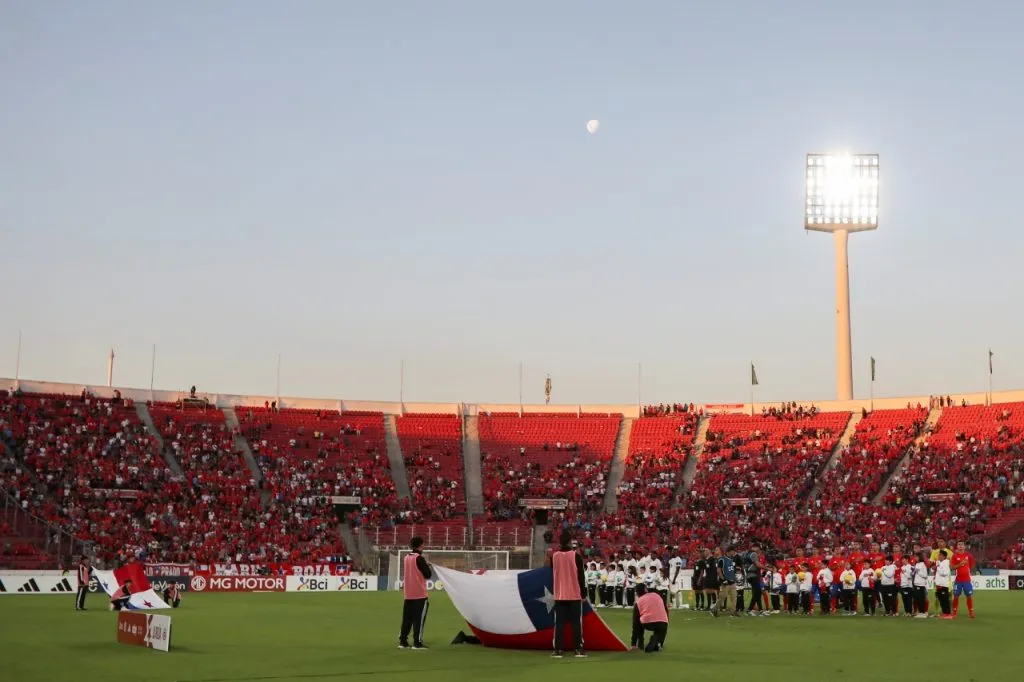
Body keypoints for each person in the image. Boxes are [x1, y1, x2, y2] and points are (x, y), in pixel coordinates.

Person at [551, 531, 587, 659]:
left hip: (560, 595)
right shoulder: (575, 556)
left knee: (559, 623)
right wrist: (584, 593)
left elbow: (552, 573)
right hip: (574, 594)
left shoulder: (554, 556)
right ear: (569, 542)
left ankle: (558, 650)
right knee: (576, 623)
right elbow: (581, 576)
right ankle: (578, 649)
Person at [399, 536, 432, 650]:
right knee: (419, 619)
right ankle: (417, 643)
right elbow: (428, 575)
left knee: (407, 618)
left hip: (408, 594)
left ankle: (403, 641)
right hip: (419, 594)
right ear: (420, 545)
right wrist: (427, 566)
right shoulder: (419, 558)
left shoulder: (406, 557)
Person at [630, 584, 669, 653]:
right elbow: (665, 609)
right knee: (661, 631)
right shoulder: (656, 595)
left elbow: (635, 623)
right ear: (646, 589)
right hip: (662, 621)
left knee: (639, 623)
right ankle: (657, 642)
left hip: (647, 623)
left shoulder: (639, 602)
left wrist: (633, 643)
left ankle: (640, 643)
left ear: (637, 593)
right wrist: (666, 621)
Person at [950, 540, 976, 619]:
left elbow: (971, 566)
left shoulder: (969, 556)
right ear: (957, 546)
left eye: (962, 544)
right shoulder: (954, 556)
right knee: (956, 596)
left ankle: (971, 612)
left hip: (967, 580)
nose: (960, 546)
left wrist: (966, 571)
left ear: (964, 546)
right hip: (958, 580)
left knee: (969, 595)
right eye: (959, 544)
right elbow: (952, 568)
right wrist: (960, 564)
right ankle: (954, 612)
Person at [711, 547, 736, 617]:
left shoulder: (731, 559)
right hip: (726, 582)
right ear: (729, 551)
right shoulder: (722, 560)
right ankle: (715, 609)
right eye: (733, 551)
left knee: (734, 597)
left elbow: (731, 570)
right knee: (722, 597)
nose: (734, 553)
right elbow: (718, 570)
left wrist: (734, 578)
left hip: (732, 582)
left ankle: (733, 611)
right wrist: (723, 579)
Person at [934, 549, 953, 619]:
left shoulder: (946, 563)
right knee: (941, 600)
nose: (939, 556)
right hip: (939, 584)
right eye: (939, 555)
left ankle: (948, 614)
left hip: (944, 585)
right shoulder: (940, 563)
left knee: (945, 600)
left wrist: (938, 568)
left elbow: (945, 573)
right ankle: (944, 613)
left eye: (940, 555)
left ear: (944, 556)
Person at [912, 552, 929, 618]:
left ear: (920, 557)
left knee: (921, 599)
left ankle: (923, 613)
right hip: (916, 584)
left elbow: (925, 575)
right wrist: (913, 571)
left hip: (921, 584)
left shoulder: (922, 564)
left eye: (916, 556)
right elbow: (915, 573)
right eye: (915, 556)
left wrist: (917, 571)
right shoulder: (917, 564)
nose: (915, 558)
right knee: (917, 599)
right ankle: (920, 612)